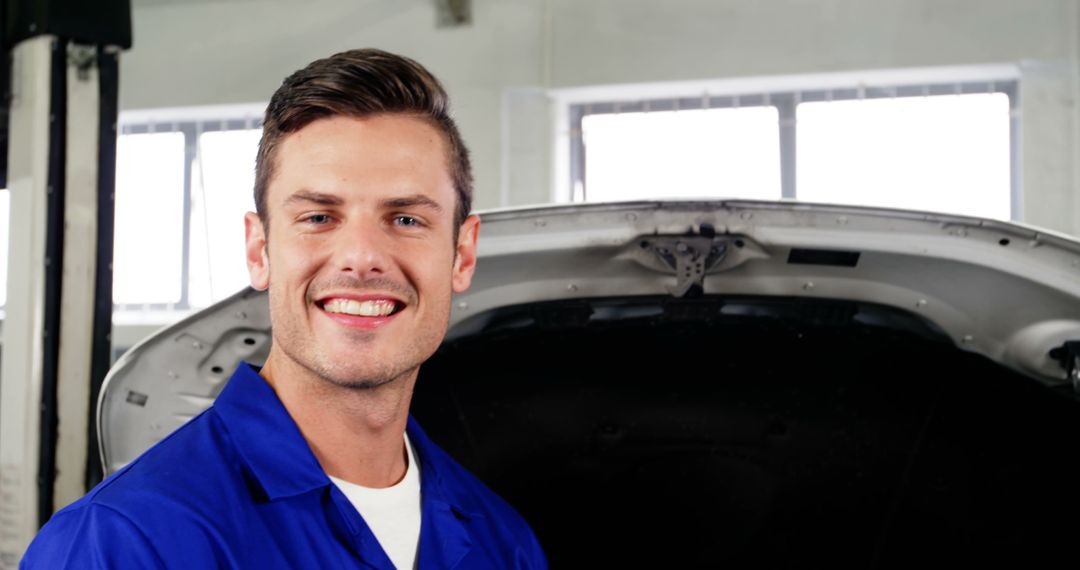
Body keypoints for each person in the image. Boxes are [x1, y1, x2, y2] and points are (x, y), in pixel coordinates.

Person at [21, 48, 547, 569]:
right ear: (259, 250)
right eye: (319, 217)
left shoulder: (502, 542)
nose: (362, 258)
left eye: (406, 219)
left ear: (462, 254)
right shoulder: (123, 541)